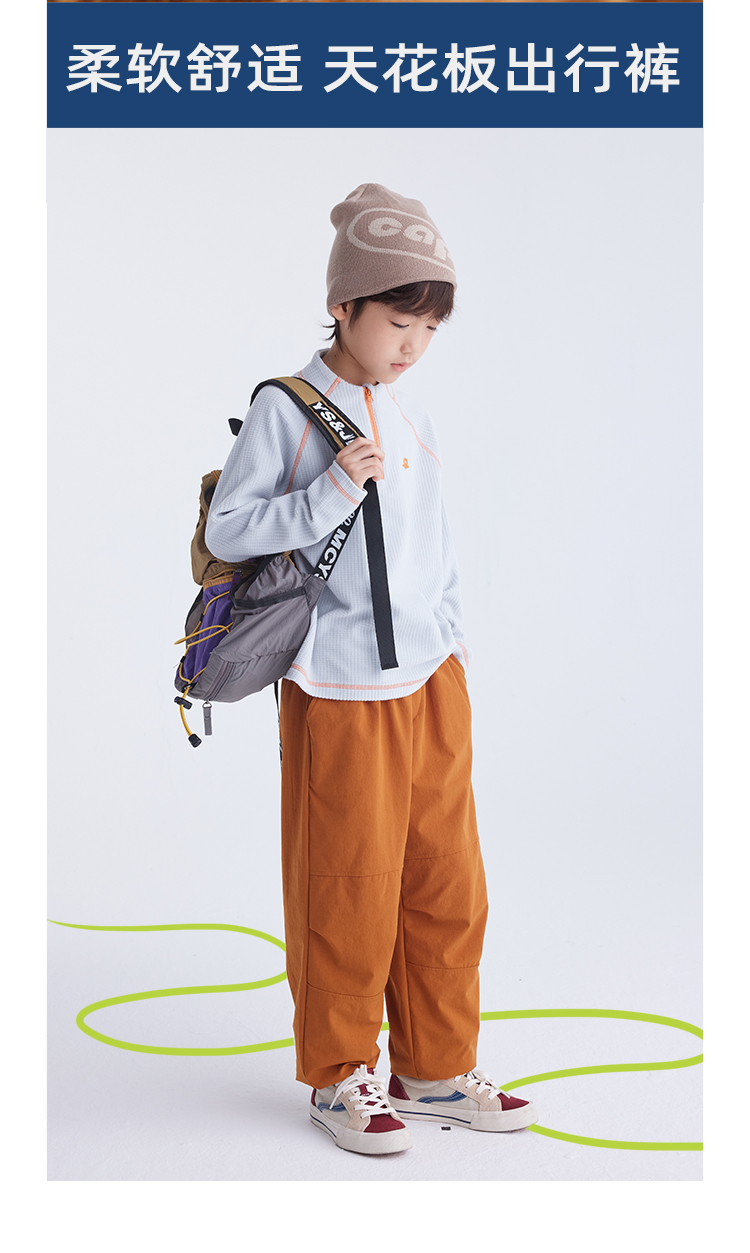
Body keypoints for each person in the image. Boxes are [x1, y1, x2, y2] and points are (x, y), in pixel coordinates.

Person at [205, 183, 537, 1155]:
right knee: (346, 883)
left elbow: (437, 546)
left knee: (447, 883)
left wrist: (455, 648)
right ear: (343, 305)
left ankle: (434, 1069)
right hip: (340, 685)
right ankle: (339, 1075)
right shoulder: (287, 408)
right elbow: (230, 529)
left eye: (429, 327)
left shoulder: (411, 411)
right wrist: (324, 495)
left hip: (432, 683)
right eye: (399, 320)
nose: (412, 344)